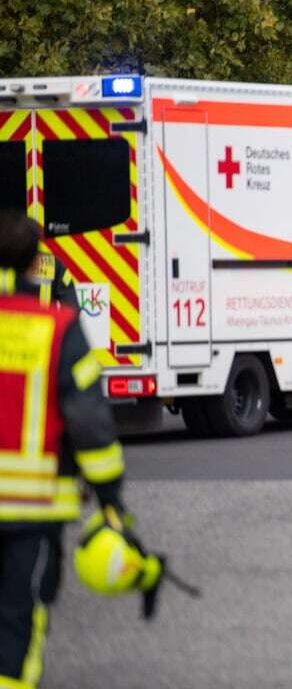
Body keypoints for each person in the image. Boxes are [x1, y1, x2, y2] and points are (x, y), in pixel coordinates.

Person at [0, 212, 151, 686]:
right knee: (17, 621)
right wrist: (111, 503)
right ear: (33, 262)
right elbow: (89, 425)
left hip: (32, 511)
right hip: (31, 509)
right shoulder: (57, 329)